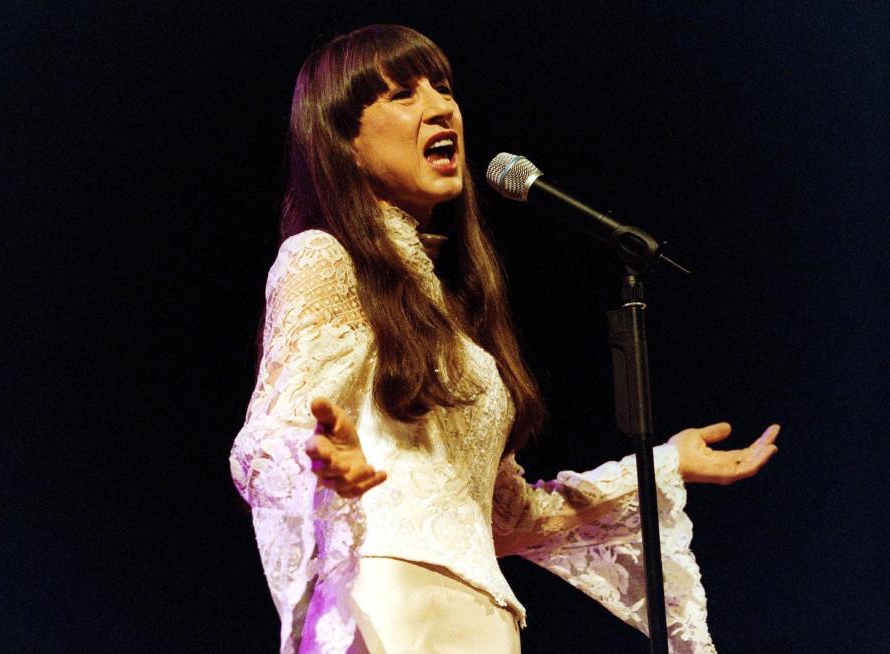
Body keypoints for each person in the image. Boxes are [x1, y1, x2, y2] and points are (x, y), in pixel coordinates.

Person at [229, 24, 778, 654]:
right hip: (388, 602)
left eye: (443, 89)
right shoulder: (323, 259)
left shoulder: (451, 310)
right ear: (343, 143)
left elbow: (507, 516)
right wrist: (322, 462)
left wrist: (664, 466)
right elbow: (268, 439)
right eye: (402, 95)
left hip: (486, 620)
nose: (441, 107)